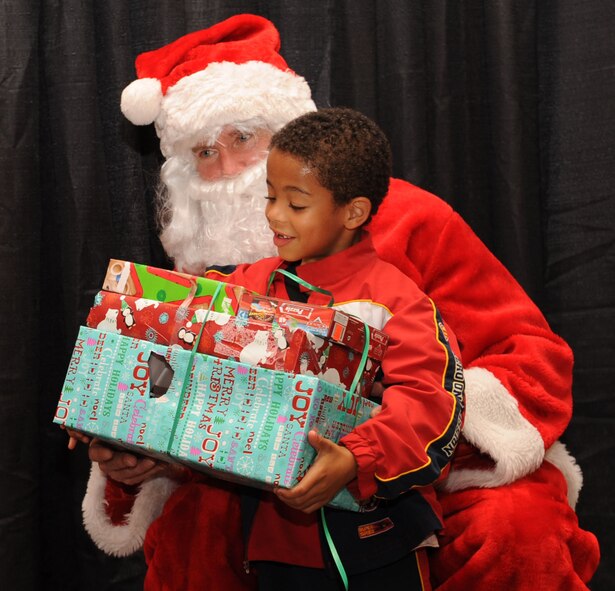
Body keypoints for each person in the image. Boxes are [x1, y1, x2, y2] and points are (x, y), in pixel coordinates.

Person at [81, 13, 599, 590]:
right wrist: (139, 453)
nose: (227, 171)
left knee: (515, 527)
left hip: (423, 467)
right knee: (194, 531)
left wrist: (389, 429)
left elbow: (529, 355)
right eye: (204, 151)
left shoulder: (408, 223)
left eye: (244, 139)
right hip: (266, 486)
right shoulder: (212, 272)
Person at [207, 105, 463, 589]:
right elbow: (180, 339)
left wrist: (355, 457)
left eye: (296, 204)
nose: (273, 215)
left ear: (354, 211)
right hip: (275, 547)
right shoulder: (248, 286)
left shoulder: (397, 301)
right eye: (269, 196)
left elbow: (431, 405)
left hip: (379, 545)